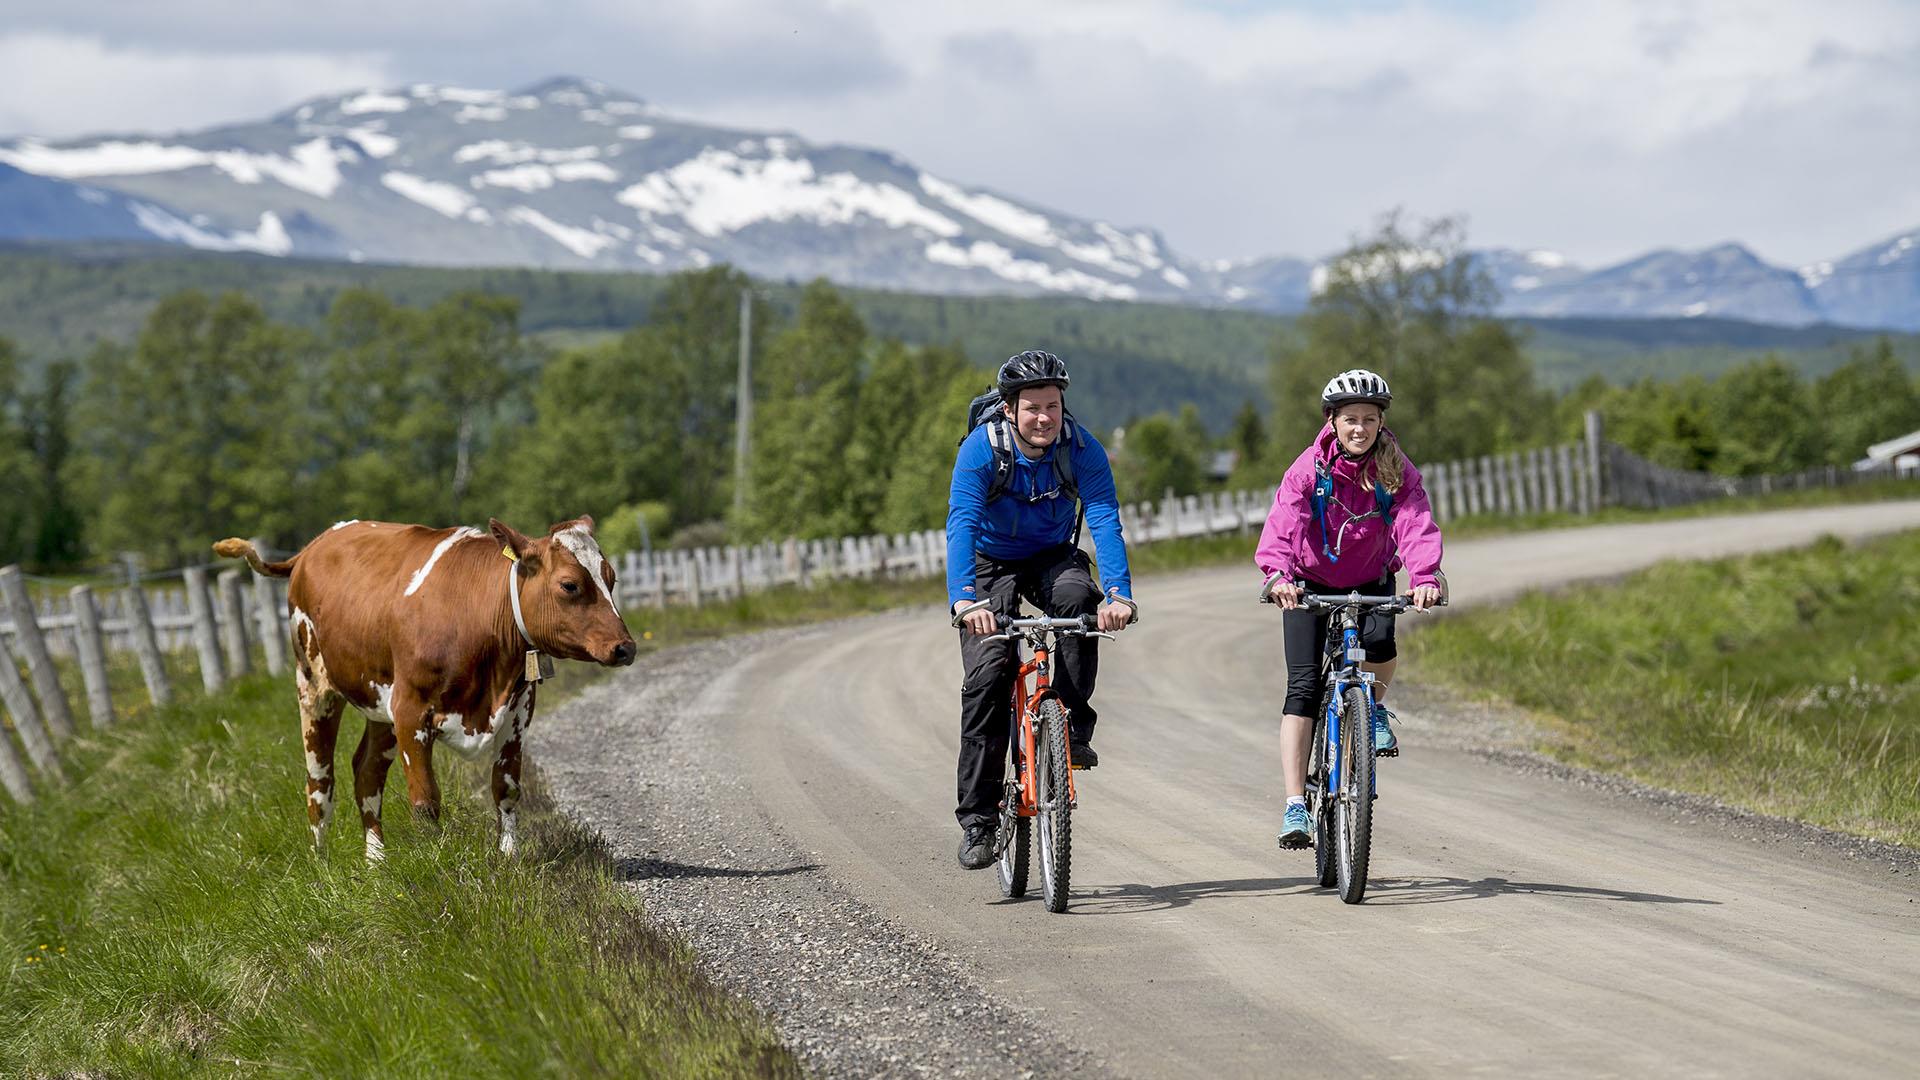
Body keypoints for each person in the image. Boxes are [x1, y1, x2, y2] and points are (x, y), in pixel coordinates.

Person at [948, 350, 1137, 870]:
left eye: (1052, 406)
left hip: (1053, 555)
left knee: (1082, 603)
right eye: (1032, 407)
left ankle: (1072, 726)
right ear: (1010, 409)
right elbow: (961, 522)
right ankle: (980, 822)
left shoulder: (1081, 449)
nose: (1043, 418)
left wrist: (1119, 594)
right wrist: (965, 601)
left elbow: (1103, 518)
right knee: (989, 674)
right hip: (989, 562)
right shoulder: (981, 451)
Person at [1254, 368, 1445, 851]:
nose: (1359, 428)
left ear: (1381, 422)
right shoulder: (1309, 469)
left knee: (1380, 641)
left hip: (1371, 577)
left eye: (1369, 419)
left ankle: (1372, 709)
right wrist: (1277, 575)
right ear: (1332, 421)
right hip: (1307, 584)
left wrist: (1424, 578)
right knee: (1301, 688)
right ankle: (1296, 803)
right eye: (1350, 419)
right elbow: (1284, 522)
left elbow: (1414, 521)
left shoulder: (1395, 468)